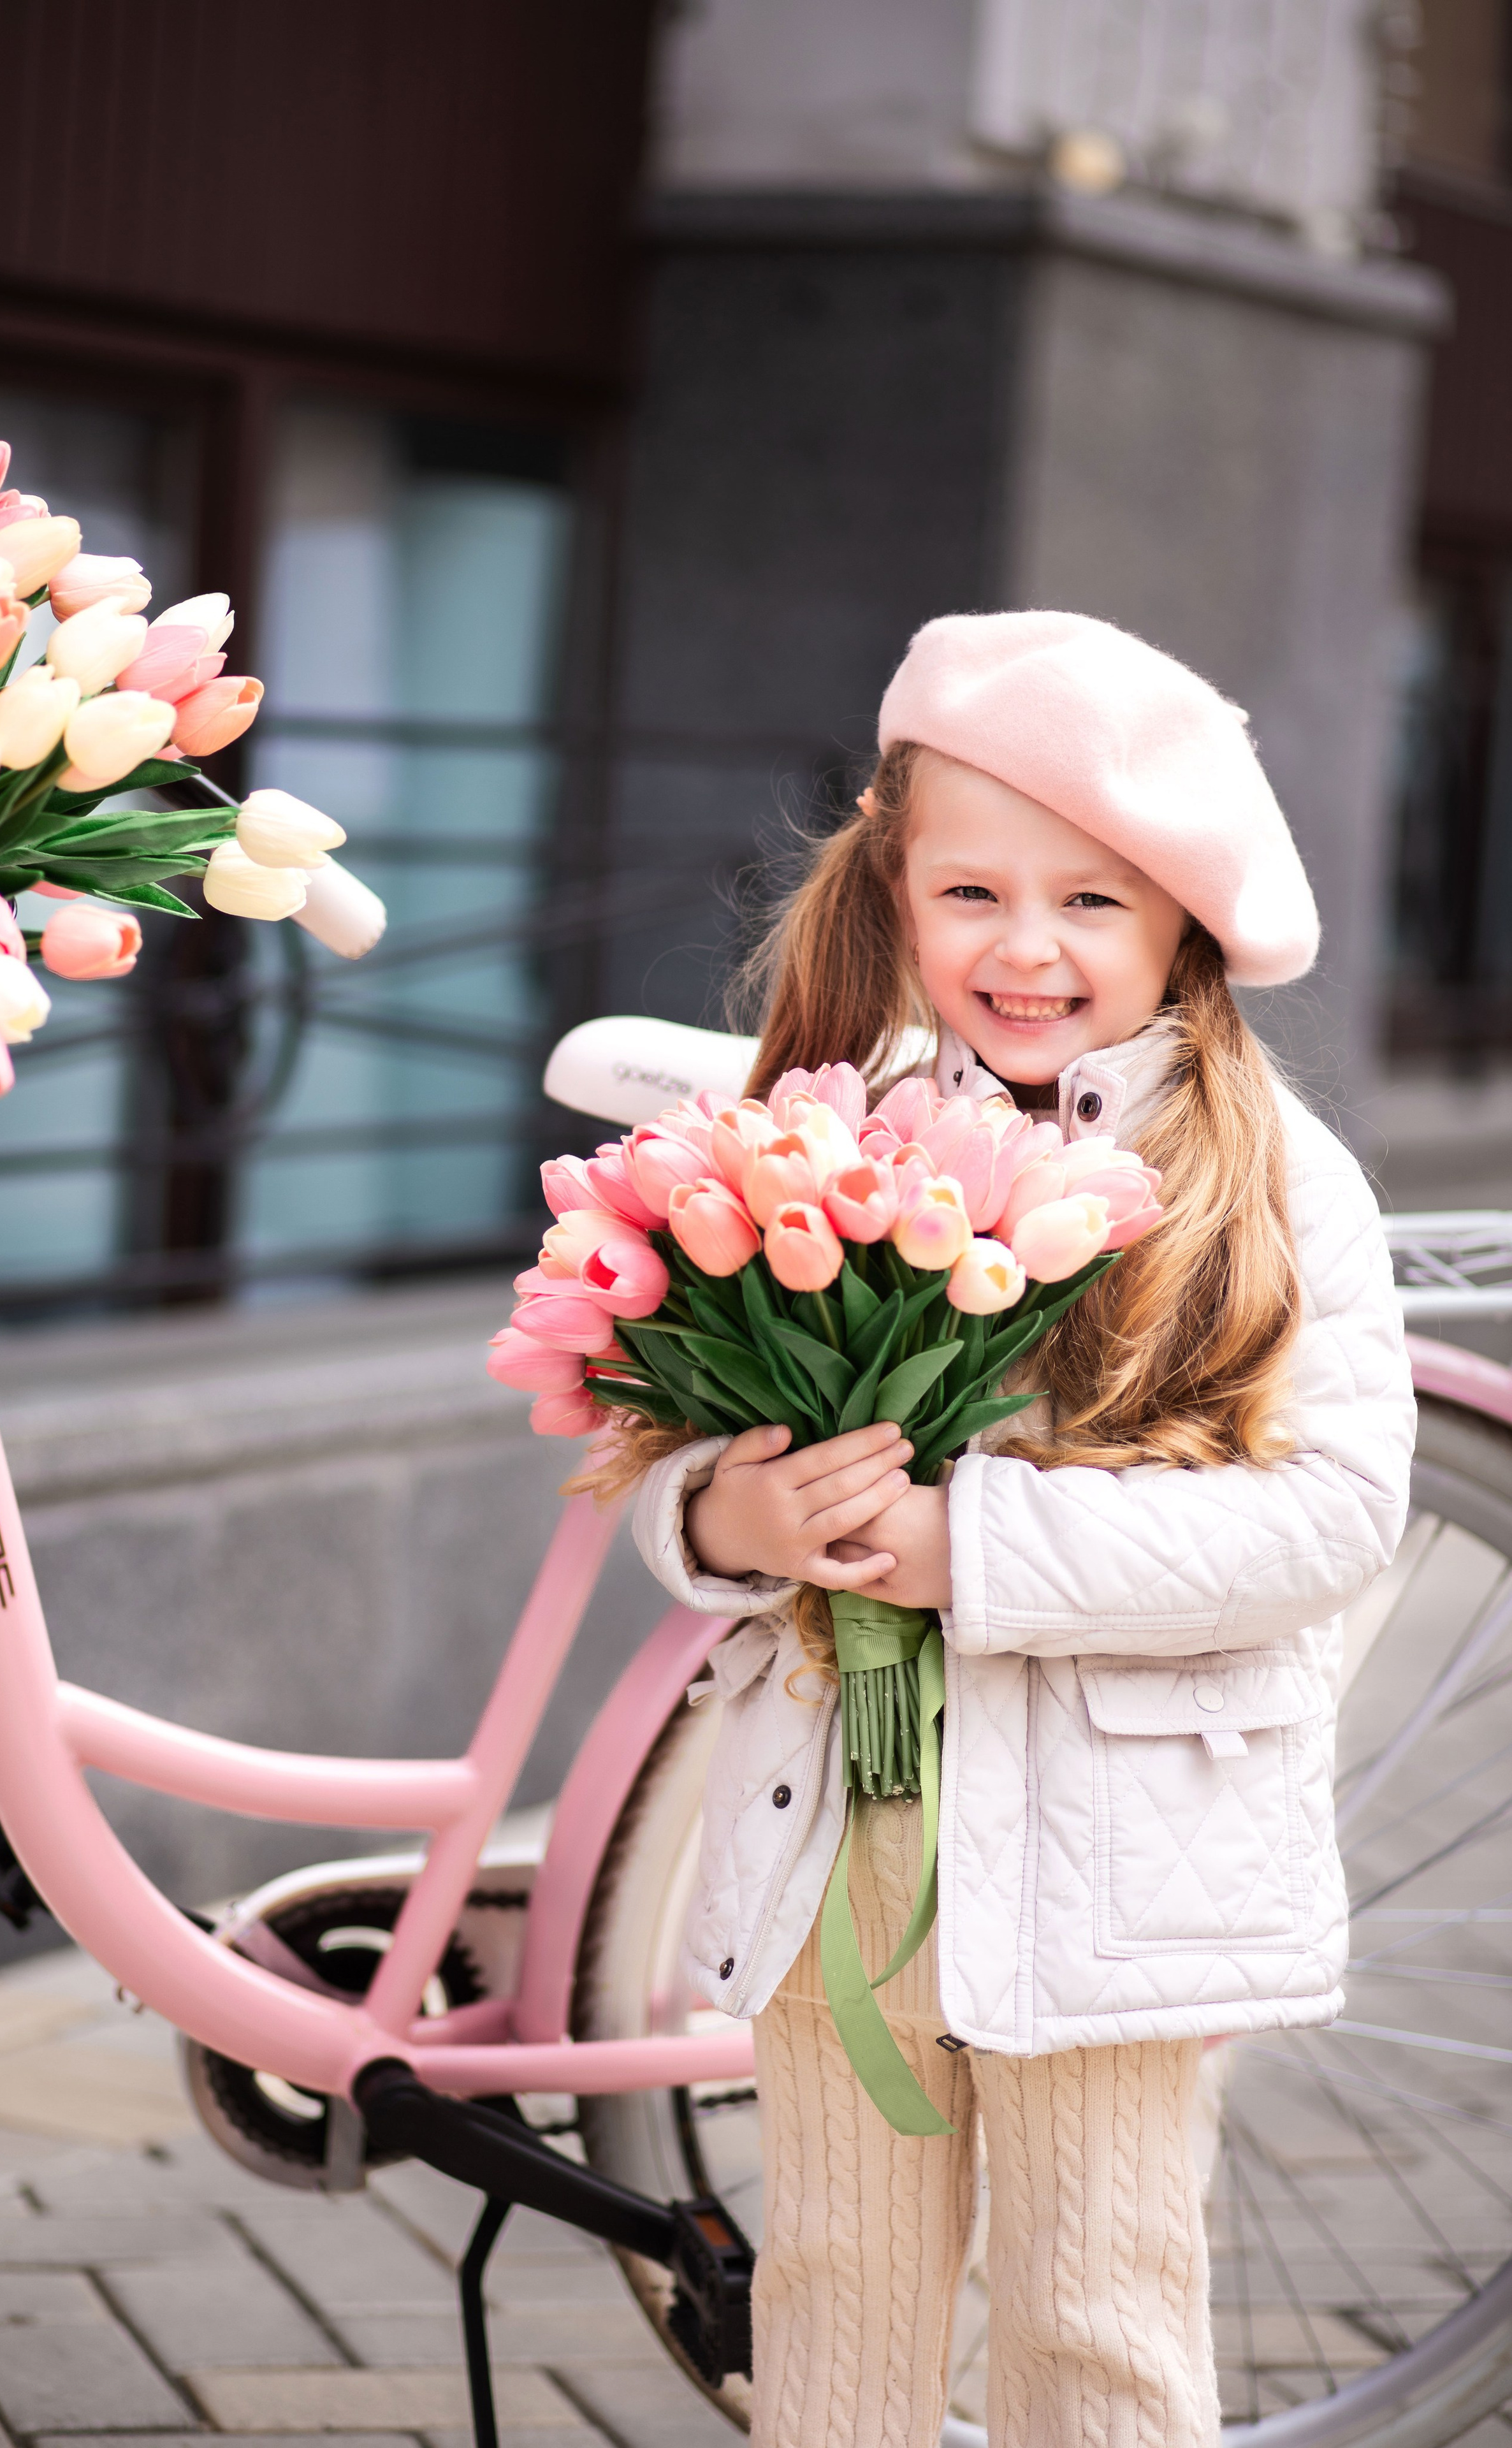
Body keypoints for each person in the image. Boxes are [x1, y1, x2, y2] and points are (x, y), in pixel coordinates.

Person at [625, 613, 1415, 2448]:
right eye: (972, 890)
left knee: (1098, 2315)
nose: (1027, 948)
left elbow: (1329, 1516)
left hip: (1122, 1865)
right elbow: (672, 1448)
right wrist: (733, 1519)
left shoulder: (1275, 1179)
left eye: (1093, 903)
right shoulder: (832, 1140)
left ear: (1183, 929)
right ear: (892, 890)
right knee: (834, 2300)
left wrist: (963, 1548)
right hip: (851, 1838)